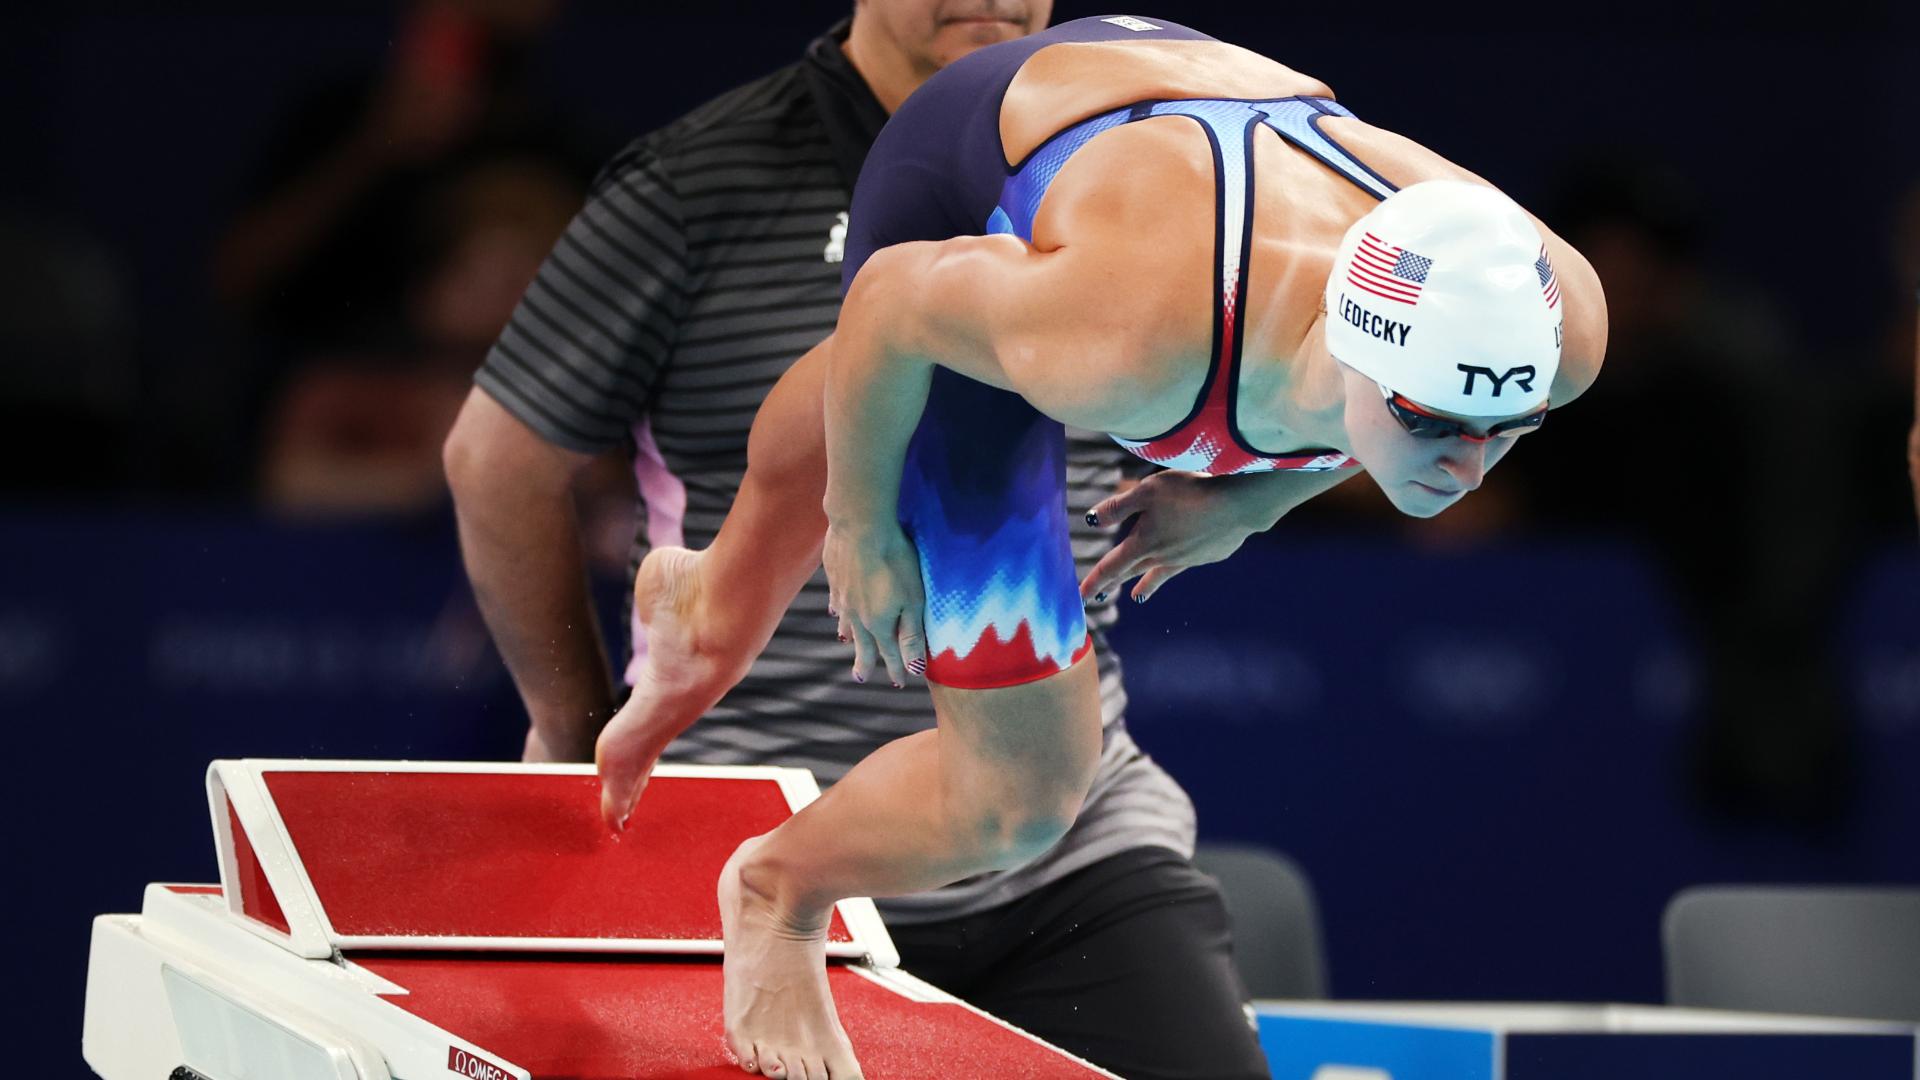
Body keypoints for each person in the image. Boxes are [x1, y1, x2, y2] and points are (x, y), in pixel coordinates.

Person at [588, 14, 1607, 1078]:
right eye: (1435, 423)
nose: (1472, 468)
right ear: (1352, 351)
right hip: (981, 153)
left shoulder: (1559, 327)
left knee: (930, 405)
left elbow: (1439, 403)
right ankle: (778, 890)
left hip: (1208, 123)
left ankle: (705, 608)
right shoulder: (1129, 342)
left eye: (1510, 428)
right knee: (1017, 800)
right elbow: (890, 309)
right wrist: (860, 527)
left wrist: (1260, 498)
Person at [443, 5, 1272, 1079]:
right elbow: (497, 462)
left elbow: (1325, 348)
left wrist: (1262, 488)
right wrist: (571, 723)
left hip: (1068, 849)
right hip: (748, 818)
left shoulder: (1139, 160)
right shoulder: (696, 184)